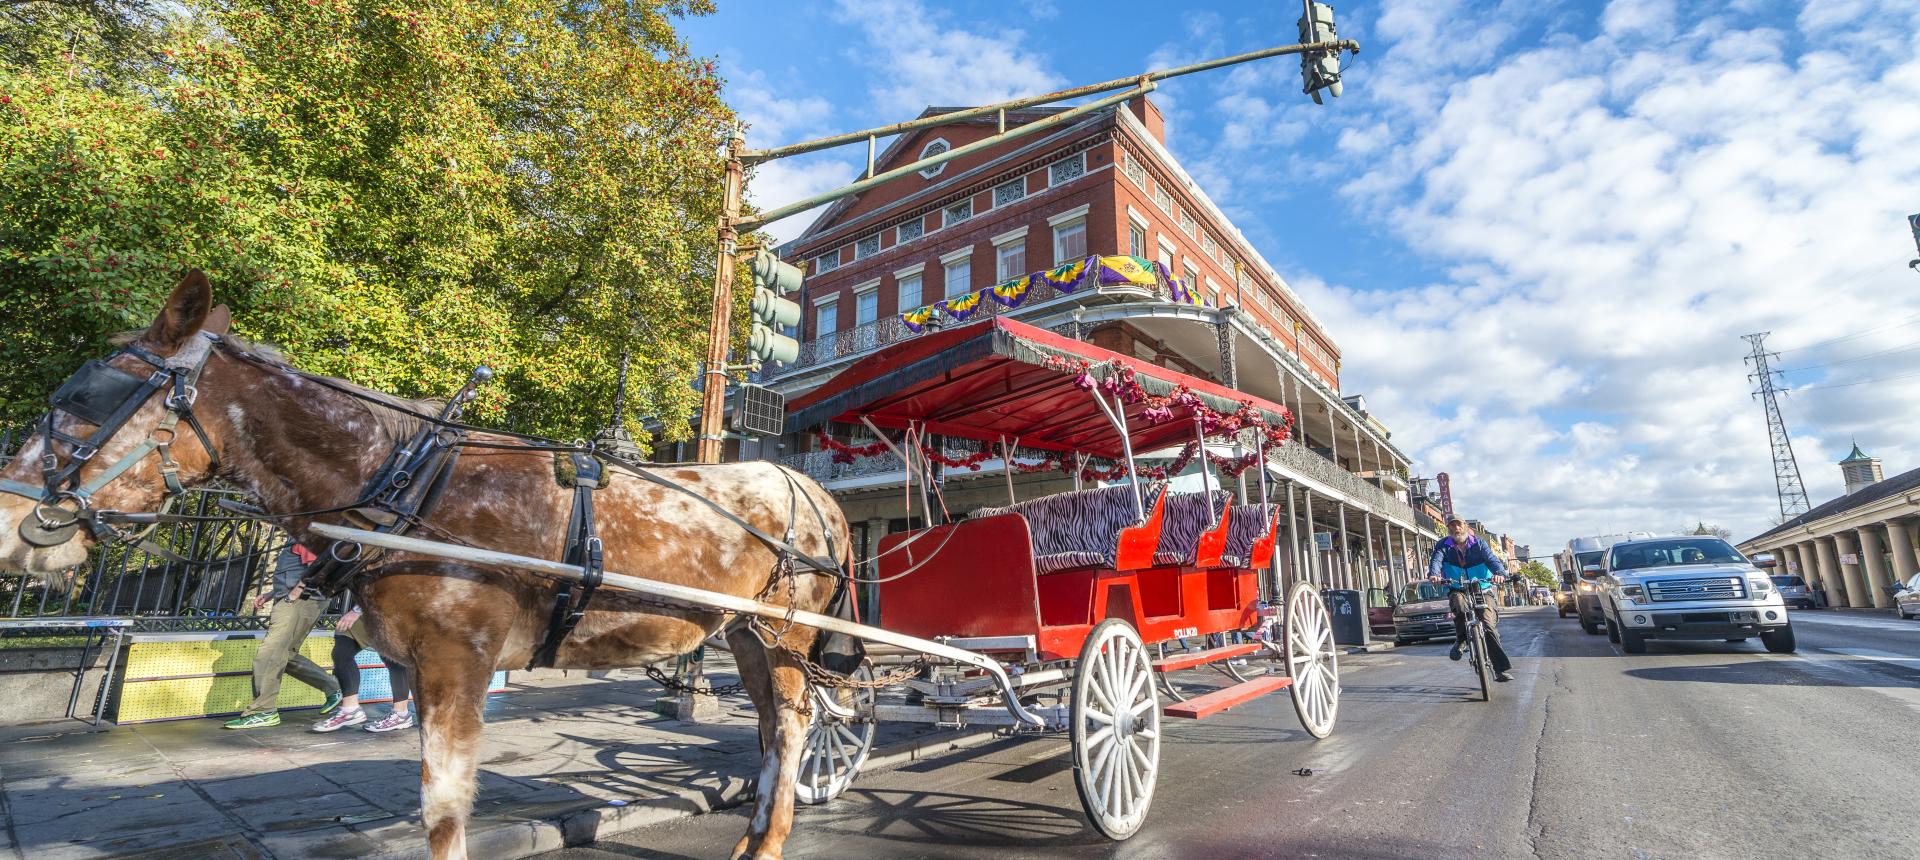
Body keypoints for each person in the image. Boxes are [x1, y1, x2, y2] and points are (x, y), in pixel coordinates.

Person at [225, 545, 343, 728]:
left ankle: (263, 710)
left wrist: (293, 595)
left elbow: (318, 568)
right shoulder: (299, 537)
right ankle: (333, 687)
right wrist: (271, 593)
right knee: (285, 655)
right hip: (301, 600)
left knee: (270, 653)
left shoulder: (306, 535)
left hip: (300, 600)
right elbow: (297, 571)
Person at [1427, 517, 1515, 682]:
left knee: (1488, 626)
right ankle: (1461, 641)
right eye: (1452, 526)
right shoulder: (1443, 545)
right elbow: (1436, 561)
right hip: (1457, 587)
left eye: (1458, 525)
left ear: (1465, 527)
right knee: (1459, 606)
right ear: (1448, 529)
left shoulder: (1479, 544)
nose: (1456, 528)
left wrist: (1500, 574)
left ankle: (1500, 670)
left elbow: (1492, 560)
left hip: (1482, 587)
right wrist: (1434, 574)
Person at [310, 604, 416, 733]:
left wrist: (356, 611)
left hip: (393, 609)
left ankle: (401, 714)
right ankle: (350, 710)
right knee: (342, 646)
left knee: (392, 658)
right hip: (371, 610)